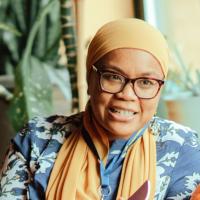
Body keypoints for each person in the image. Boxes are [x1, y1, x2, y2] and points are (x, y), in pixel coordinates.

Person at [0, 18, 200, 200]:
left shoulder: (184, 148)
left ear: (160, 89)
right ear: (90, 78)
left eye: (146, 82)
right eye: (113, 76)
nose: (127, 95)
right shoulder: (36, 141)